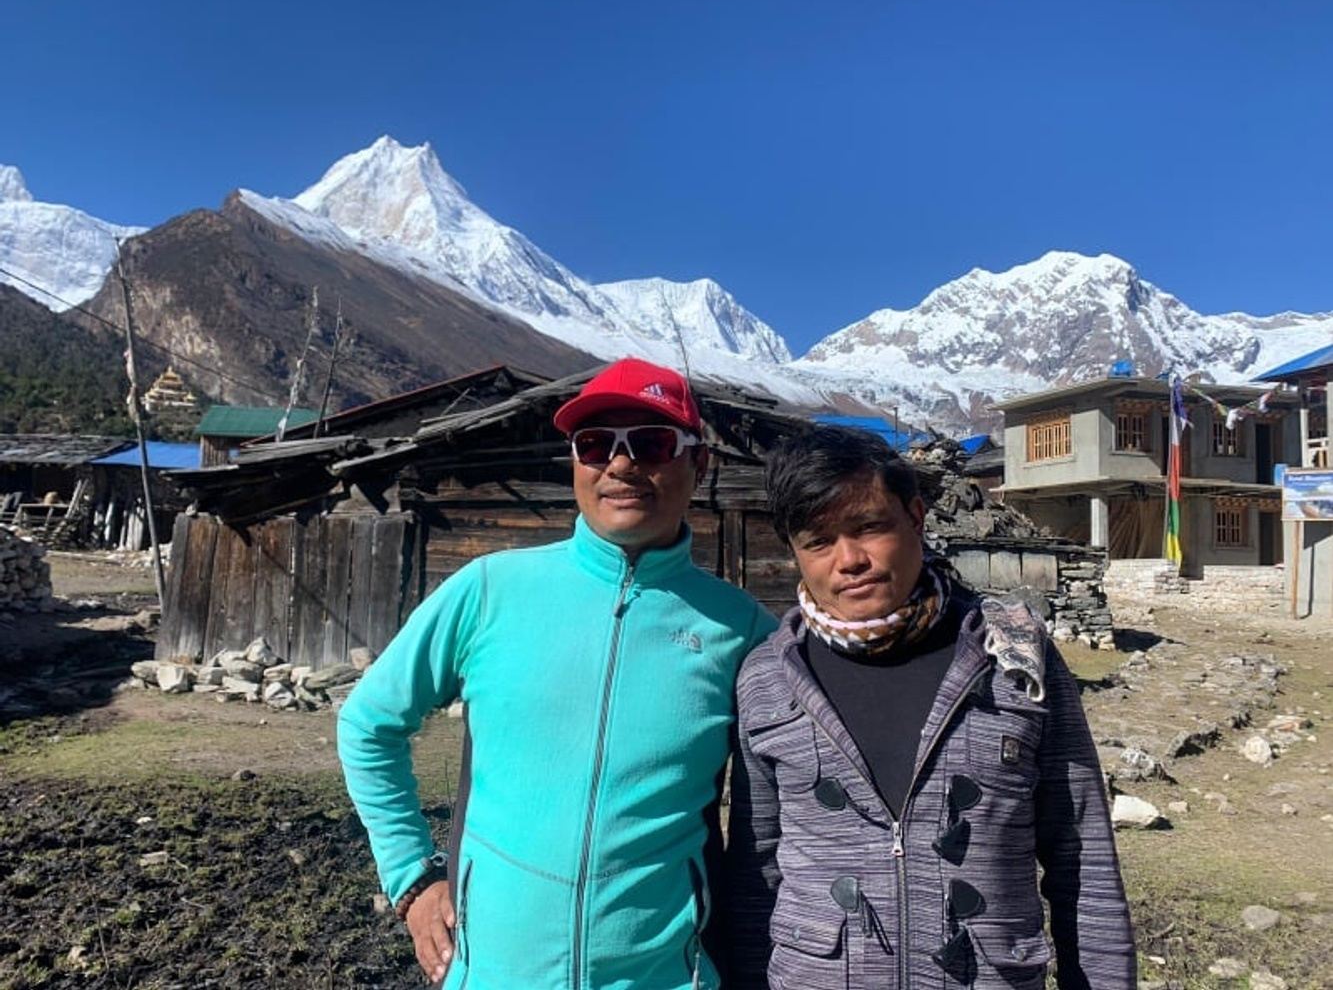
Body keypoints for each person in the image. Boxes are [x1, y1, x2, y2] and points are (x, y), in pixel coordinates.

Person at [338, 357, 777, 989]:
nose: (621, 465)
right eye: (595, 445)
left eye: (652, 443)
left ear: (698, 463)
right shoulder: (489, 591)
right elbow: (367, 724)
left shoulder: (741, 629)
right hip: (493, 974)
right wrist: (412, 877)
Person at [725, 425, 1135, 989]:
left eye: (869, 527)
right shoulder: (768, 678)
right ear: (793, 551)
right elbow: (755, 876)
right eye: (818, 541)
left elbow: (1082, 857)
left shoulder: (1014, 656)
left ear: (915, 517)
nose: (849, 560)